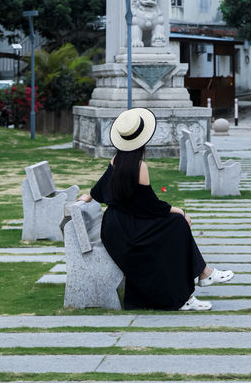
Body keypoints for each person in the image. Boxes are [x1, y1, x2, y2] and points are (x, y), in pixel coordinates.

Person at [77, 106, 234, 311]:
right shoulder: (139, 166)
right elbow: (148, 204)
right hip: (127, 231)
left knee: (175, 227)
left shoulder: (116, 160)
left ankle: (201, 275)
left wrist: (88, 196)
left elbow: (102, 188)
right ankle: (197, 280)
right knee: (176, 225)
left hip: (116, 227)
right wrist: (178, 210)